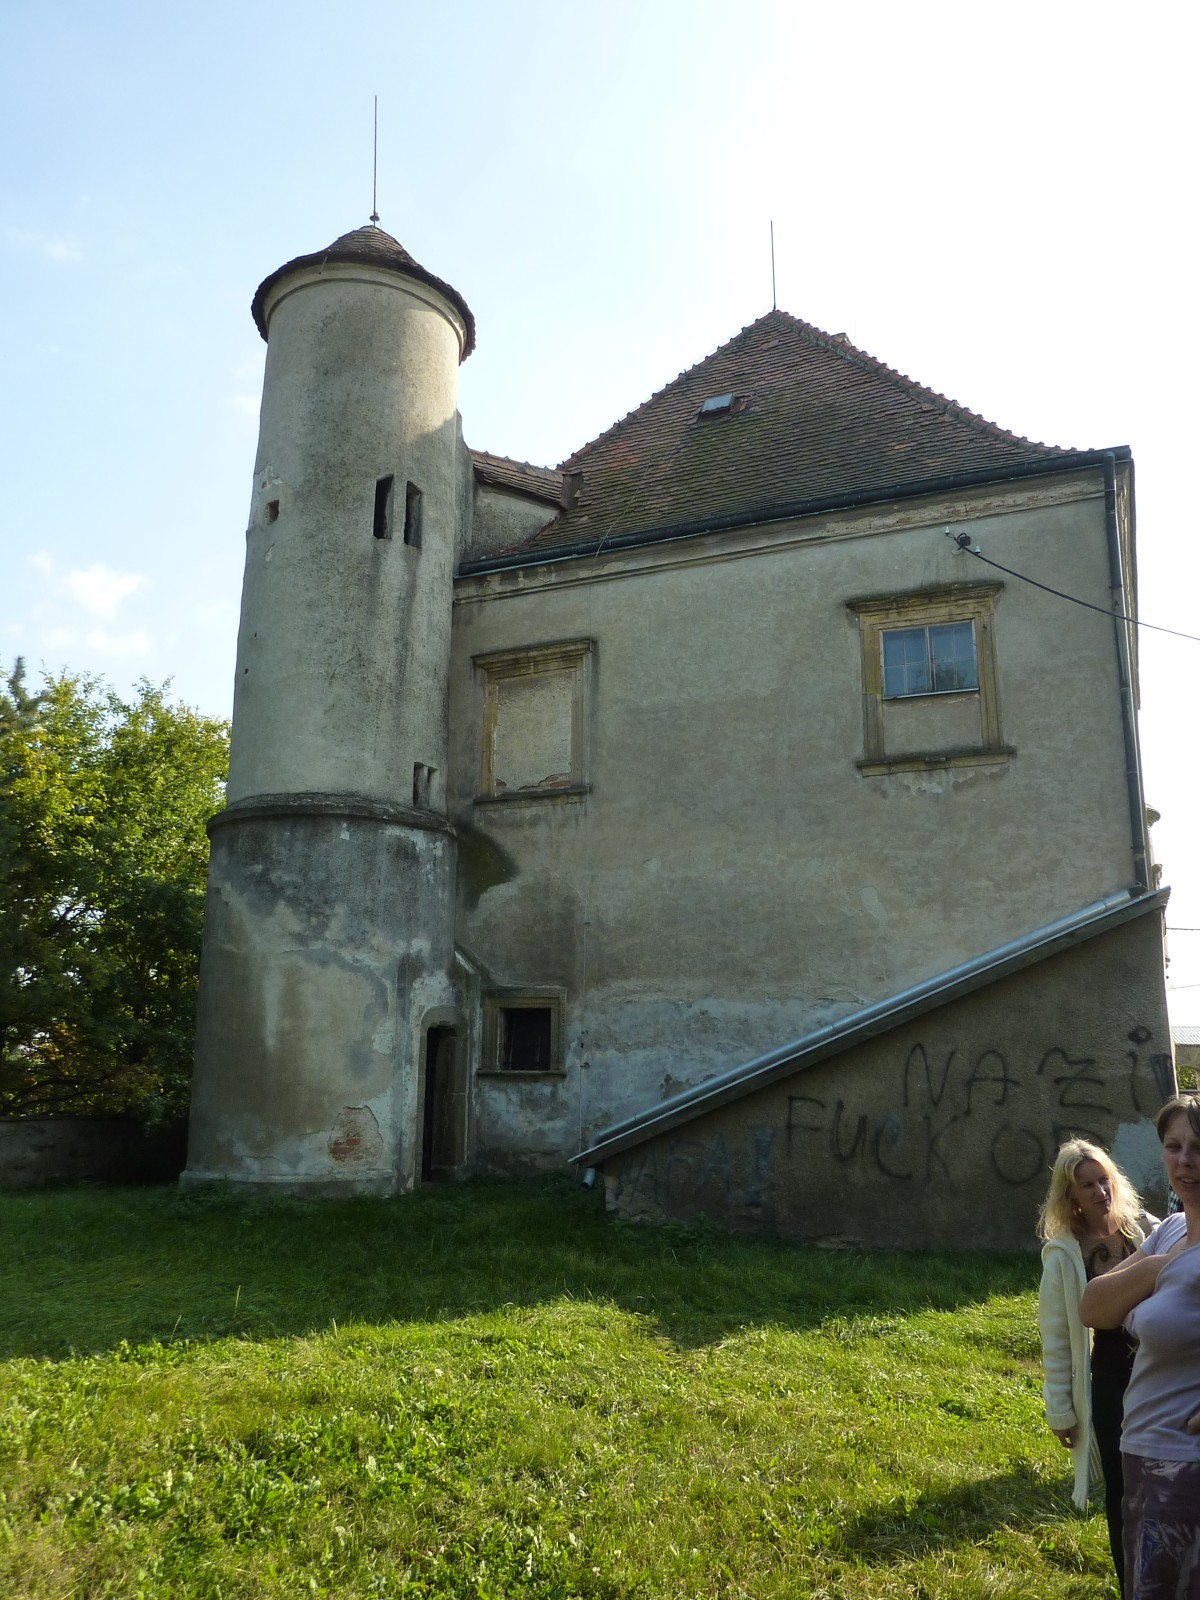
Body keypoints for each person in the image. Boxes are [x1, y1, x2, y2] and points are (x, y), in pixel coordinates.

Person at [1080, 1094, 1200, 1599]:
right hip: (1140, 1452)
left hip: (1187, 1466)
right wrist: (1157, 1265)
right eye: (1173, 1146)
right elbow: (1094, 1307)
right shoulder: (1170, 1231)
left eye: (1199, 1147)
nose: (1185, 1161)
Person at [1038, 1140, 1155, 1593]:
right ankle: (1130, 1584)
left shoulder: (1145, 1230)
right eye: (1087, 1186)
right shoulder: (1063, 1255)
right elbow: (1056, 1340)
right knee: (1123, 1490)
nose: (1100, 1192)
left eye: (1103, 1180)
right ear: (1071, 1197)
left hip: (1156, 1369)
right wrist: (1060, 1409)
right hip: (1109, 1379)